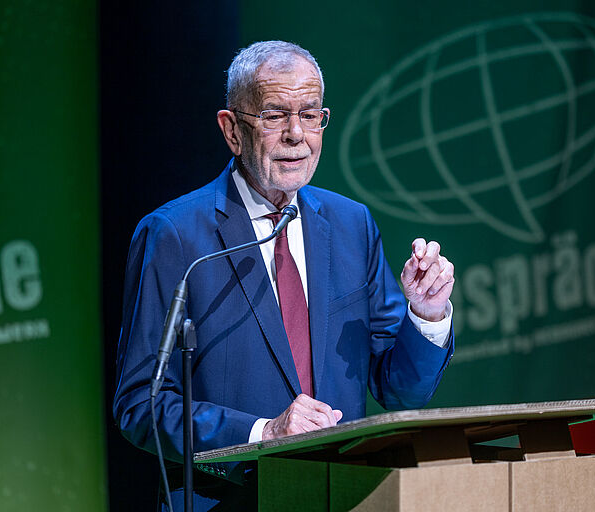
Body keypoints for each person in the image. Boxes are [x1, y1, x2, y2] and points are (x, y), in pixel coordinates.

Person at [113, 40, 456, 510]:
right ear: (232, 130)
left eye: (311, 114)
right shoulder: (175, 236)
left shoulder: (352, 224)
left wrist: (426, 315)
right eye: (274, 115)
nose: (297, 134)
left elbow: (399, 390)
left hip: (343, 497)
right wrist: (263, 434)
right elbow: (141, 404)